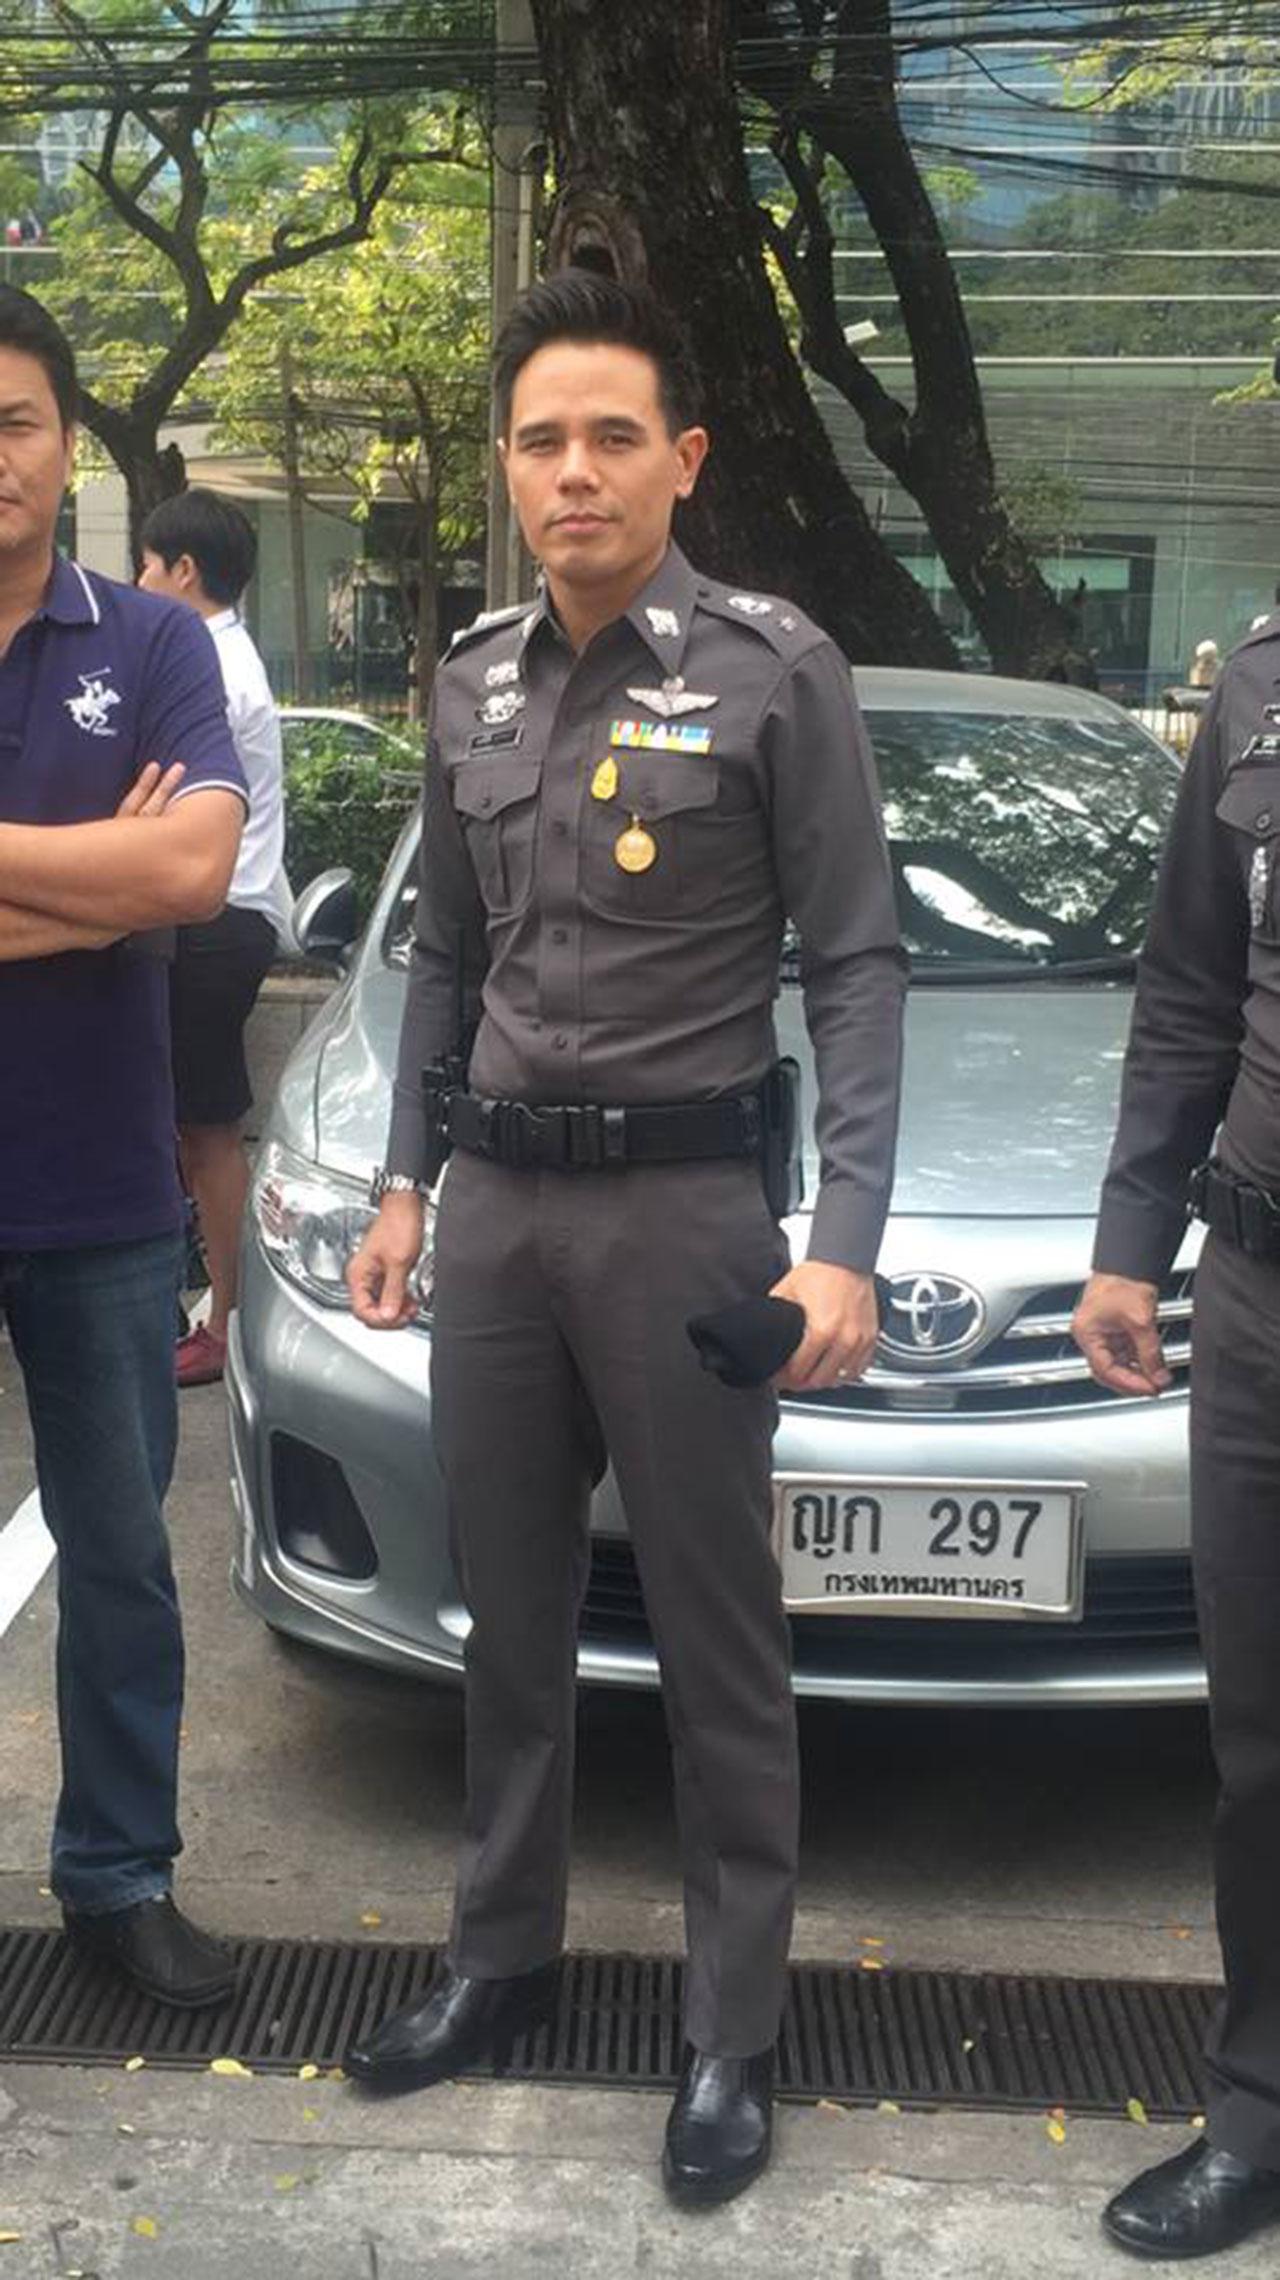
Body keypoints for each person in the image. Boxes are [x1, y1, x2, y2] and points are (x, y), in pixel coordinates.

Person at [343, 270, 905, 2206]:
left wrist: (841, 1240)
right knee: (507, 1620)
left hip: (685, 1219)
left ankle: (732, 2030)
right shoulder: (470, 680)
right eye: (539, 442)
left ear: (685, 456)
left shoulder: (776, 671)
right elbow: (445, 961)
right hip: (498, 1218)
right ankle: (499, 1960)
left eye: (609, 436)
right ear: (507, 470)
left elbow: (856, 965)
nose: (571, 473)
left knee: (714, 1636)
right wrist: (407, 1185)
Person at [0, 285, 248, 2005]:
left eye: (16, 422)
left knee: (120, 1560)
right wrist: (90, 888)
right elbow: (136, 878)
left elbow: (193, 871)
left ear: (67, 444)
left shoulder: (153, 644)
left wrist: (135, 889)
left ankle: (117, 1874)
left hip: (99, 1191)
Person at [1073, 607, 1280, 2259]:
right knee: (1262, 1745)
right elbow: (1196, 984)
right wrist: (1131, 1242)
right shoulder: (1266, 683)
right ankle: (1261, 2104)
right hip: (1262, 1291)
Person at [137, 488, 293, 1387]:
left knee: (205, 1131)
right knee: (183, 1123)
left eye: (147, 567)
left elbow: (155, 810)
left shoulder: (212, 674)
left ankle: (227, 1324)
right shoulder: (221, 657)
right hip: (218, 917)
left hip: (213, 918)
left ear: (184, 571)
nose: (138, 583)